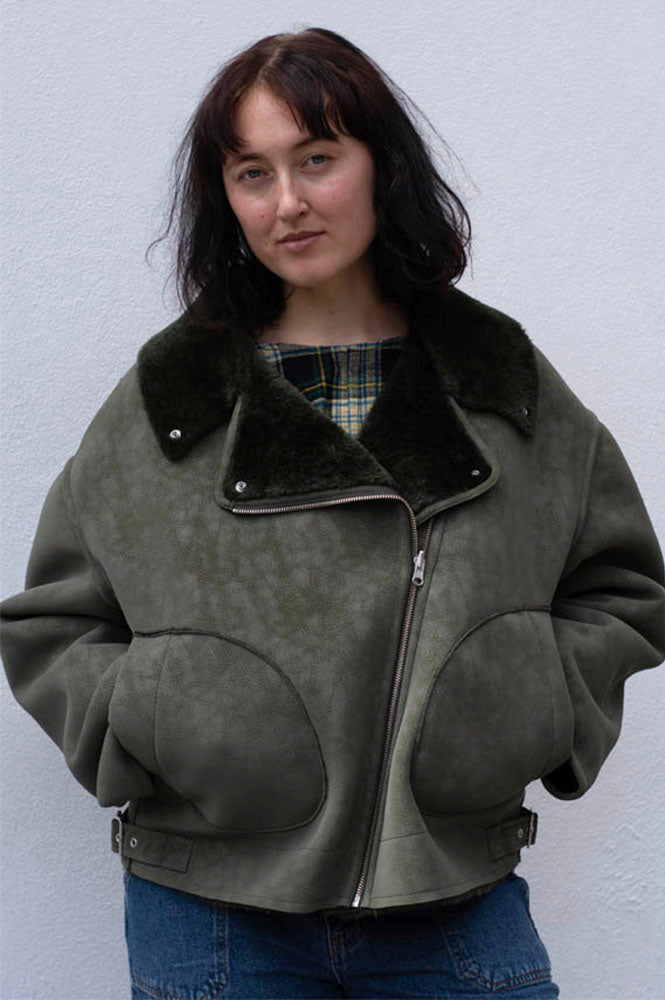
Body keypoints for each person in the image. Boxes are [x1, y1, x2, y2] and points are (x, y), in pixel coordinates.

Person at [1, 25, 664, 1000]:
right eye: (252, 173)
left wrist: (532, 702)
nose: (288, 202)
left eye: (316, 158)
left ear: (380, 165)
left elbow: (619, 586)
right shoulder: (173, 401)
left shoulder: (501, 385)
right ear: (224, 198)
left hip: (454, 892)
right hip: (210, 911)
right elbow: (56, 623)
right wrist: (160, 719)